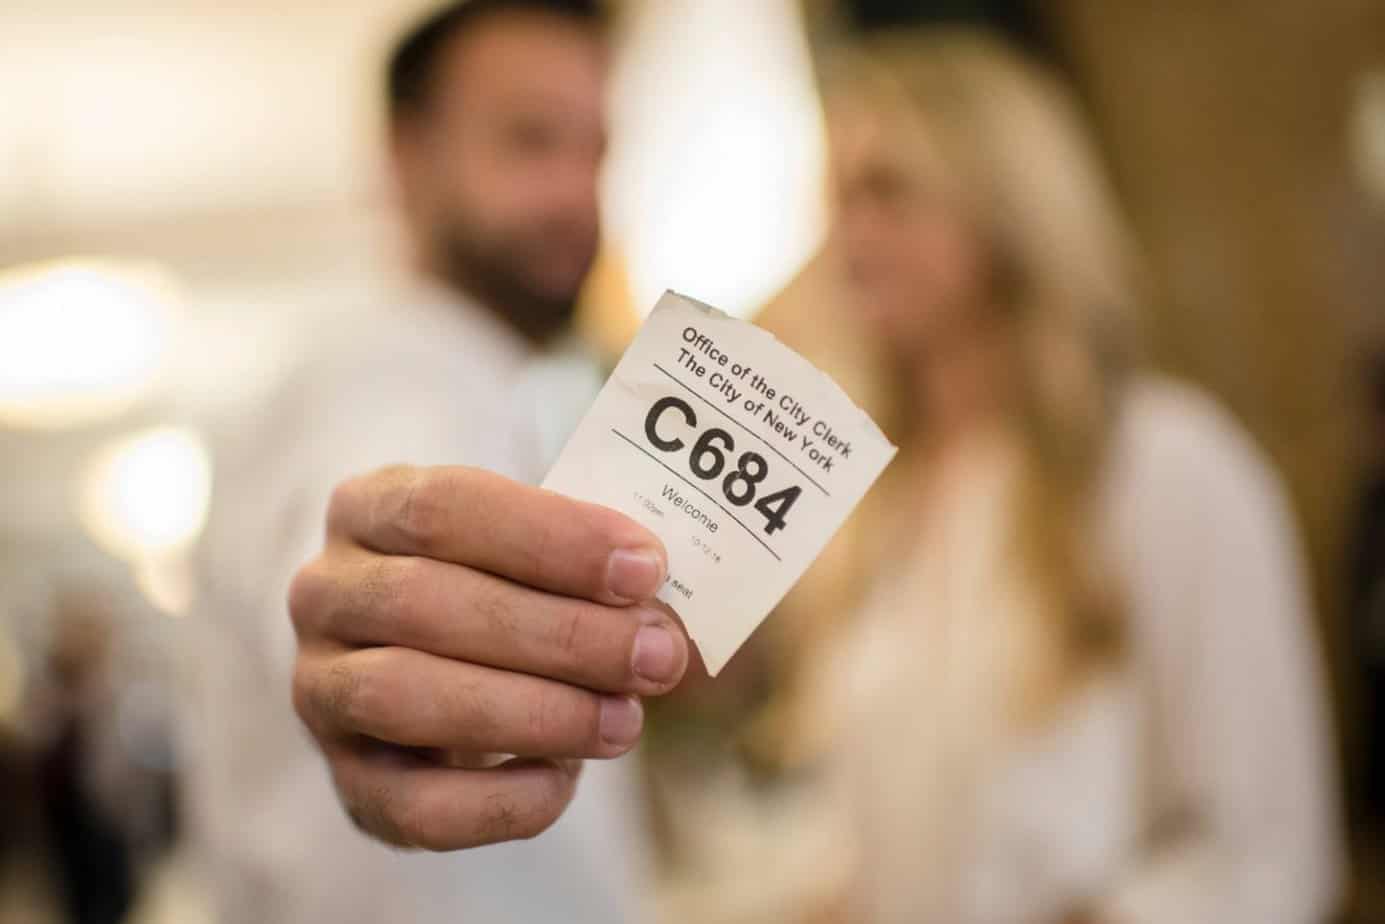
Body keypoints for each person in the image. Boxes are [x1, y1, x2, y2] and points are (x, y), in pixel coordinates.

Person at [804, 28, 1343, 923]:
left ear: (1004, 203)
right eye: (836, 197)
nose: (848, 236)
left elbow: (1268, 853)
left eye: (888, 190)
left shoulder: (1167, 466)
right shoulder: (876, 503)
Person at [188, 2, 687, 922]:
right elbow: (346, 546)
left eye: (595, 153)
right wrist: (361, 642)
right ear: (405, 157)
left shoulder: (495, 385)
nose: (576, 195)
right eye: (530, 141)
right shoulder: (384, 369)